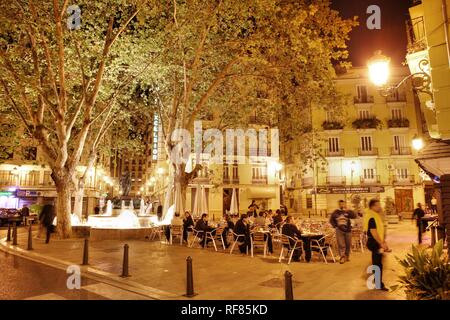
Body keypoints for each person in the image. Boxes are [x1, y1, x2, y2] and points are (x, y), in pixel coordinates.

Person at [364, 199, 390, 291]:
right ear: (372, 206)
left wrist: (383, 242)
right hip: (374, 242)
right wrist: (381, 243)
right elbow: (373, 231)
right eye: (378, 205)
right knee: (377, 263)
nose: (380, 207)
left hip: (375, 241)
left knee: (377, 262)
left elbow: (379, 230)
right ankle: (378, 284)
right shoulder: (372, 217)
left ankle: (377, 282)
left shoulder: (374, 215)